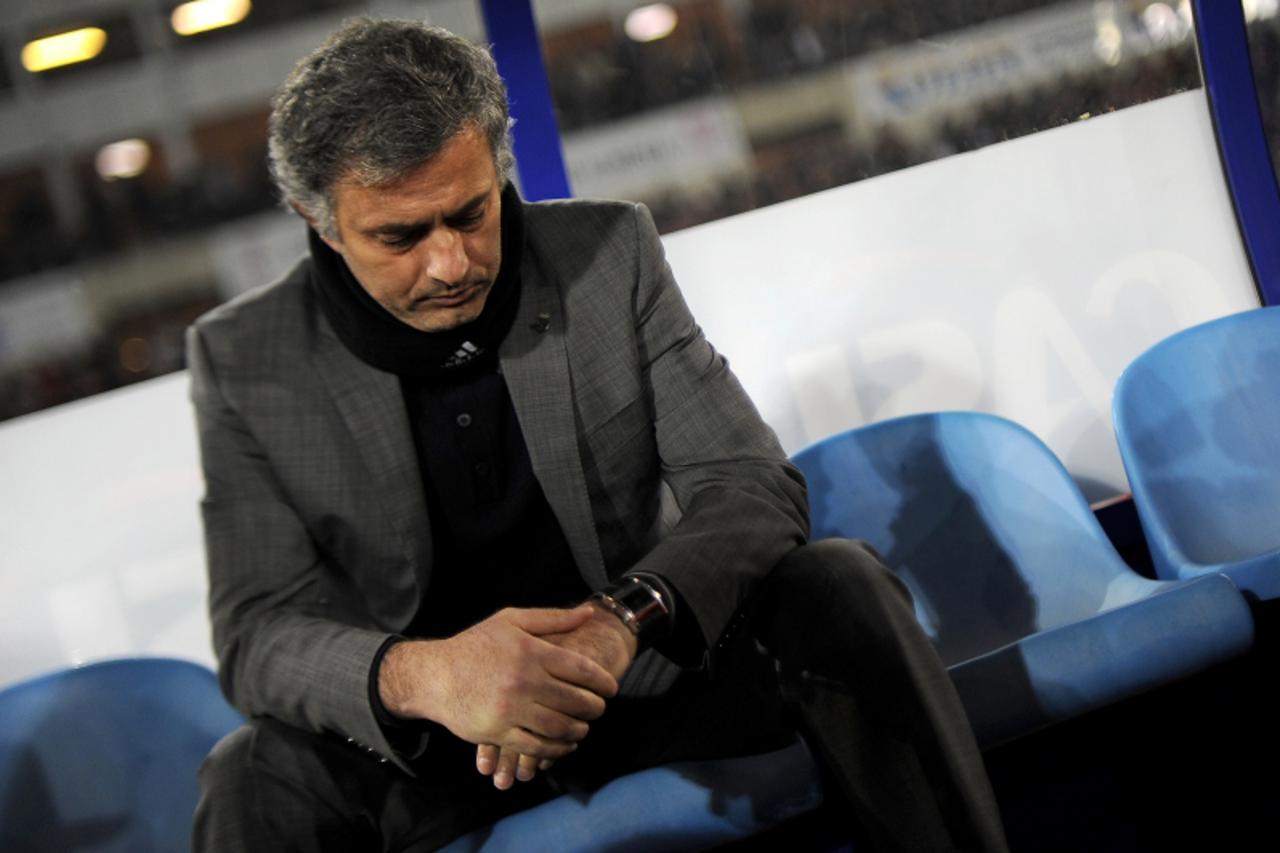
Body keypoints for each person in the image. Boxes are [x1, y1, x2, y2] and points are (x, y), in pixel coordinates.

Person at [189, 17, 1007, 852]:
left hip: (647, 675)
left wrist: (619, 620)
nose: (452, 263)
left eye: (471, 213)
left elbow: (751, 486)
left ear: (499, 165)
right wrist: (430, 675)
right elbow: (258, 630)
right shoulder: (245, 360)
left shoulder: (608, 252)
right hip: (436, 749)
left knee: (838, 583)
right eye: (400, 236)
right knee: (250, 774)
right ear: (317, 219)